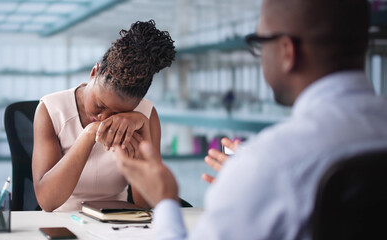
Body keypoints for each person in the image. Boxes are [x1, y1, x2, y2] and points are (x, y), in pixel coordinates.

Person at [115, 0, 387, 239]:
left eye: (259, 43)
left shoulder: (270, 162)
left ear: (286, 52)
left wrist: (164, 199)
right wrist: (248, 183)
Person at [32, 20, 176, 212]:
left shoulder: (146, 115)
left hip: (119, 222)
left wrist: (144, 132)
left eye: (118, 113)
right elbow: (47, 202)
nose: (104, 118)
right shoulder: (51, 109)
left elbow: (146, 204)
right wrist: (90, 134)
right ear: (94, 73)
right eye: (100, 105)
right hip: (63, 222)